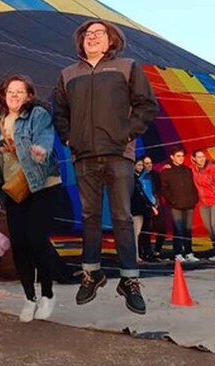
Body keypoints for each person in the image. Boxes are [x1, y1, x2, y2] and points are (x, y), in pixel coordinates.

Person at [53, 19, 158, 315]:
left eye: (99, 33)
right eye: (88, 34)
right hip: (83, 154)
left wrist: (127, 132)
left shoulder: (126, 67)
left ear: (111, 40)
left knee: (123, 216)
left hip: (118, 153)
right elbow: (59, 111)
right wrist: (68, 137)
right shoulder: (68, 74)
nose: (92, 37)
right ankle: (92, 273)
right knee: (89, 216)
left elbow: (147, 105)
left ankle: (129, 280)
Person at [0, 75, 63, 322]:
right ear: (3, 95)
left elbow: (45, 138)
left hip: (40, 185)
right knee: (19, 245)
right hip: (14, 189)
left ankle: (48, 293)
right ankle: (29, 298)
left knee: (38, 241)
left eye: (20, 91)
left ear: (29, 96)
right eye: (10, 91)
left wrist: (39, 150)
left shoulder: (37, 115)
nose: (14, 95)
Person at [160, 146, 200, 263]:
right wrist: (172, 200)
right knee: (178, 230)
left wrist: (194, 199)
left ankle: (189, 252)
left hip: (189, 204)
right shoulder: (166, 172)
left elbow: (193, 186)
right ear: (172, 157)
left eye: (182, 156)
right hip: (175, 205)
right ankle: (177, 253)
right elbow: (164, 189)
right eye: (178, 156)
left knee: (188, 229)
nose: (181, 158)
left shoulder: (187, 170)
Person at [142, 156, 168, 260]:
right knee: (146, 230)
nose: (149, 165)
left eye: (151, 163)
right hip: (145, 205)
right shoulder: (140, 177)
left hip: (156, 203)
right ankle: (146, 252)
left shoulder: (155, 174)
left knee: (162, 228)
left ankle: (158, 250)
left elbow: (159, 189)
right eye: (147, 163)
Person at [132, 159, 157, 262]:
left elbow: (145, 194)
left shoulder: (142, 178)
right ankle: (135, 255)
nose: (141, 167)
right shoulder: (132, 178)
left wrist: (152, 205)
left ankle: (140, 254)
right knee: (135, 233)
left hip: (143, 208)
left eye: (142, 165)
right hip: (135, 209)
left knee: (140, 232)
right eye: (139, 165)